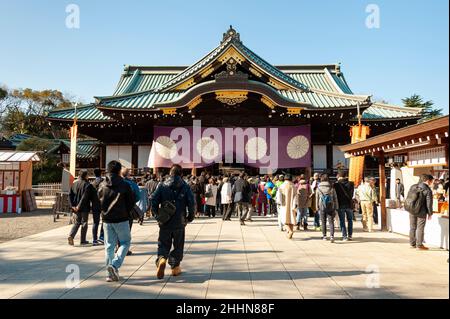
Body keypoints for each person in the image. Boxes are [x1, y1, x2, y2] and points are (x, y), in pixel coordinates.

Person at [151, 164, 195, 279]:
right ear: (181, 174)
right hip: (179, 220)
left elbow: (154, 200)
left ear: (170, 173)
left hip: (165, 220)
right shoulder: (185, 186)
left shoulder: (162, 185)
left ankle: (162, 259)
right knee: (178, 245)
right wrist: (190, 216)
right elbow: (191, 203)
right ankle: (175, 267)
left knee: (163, 242)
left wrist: (157, 215)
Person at [98, 161, 135, 282]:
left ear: (107, 170)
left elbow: (98, 201)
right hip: (121, 218)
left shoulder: (101, 185)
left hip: (106, 219)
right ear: (119, 171)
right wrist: (126, 212)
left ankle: (109, 274)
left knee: (109, 246)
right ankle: (114, 265)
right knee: (125, 242)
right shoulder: (125, 185)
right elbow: (131, 202)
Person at [68, 170, 96, 246]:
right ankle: (83, 240)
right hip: (84, 207)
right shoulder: (87, 184)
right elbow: (85, 197)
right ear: (85, 175)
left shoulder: (74, 183)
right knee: (84, 222)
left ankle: (71, 235)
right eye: (88, 175)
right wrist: (79, 206)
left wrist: (72, 206)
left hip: (75, 207)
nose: (88, 176)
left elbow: (70, 195)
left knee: (77, 222)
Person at [406, 174, 434, 250]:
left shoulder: (413, 186)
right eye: (431, 181)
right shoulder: (427, 190)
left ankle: (412, 244)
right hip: (421, 211)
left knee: (412, 227)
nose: (432, 183)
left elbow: (408, 197)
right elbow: (429, 203)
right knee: (420, 228)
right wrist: (430, 213)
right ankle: (419, 245)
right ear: (428, 181)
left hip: (411, 209)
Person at [121, 167, 141, 256]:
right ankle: (125, 248)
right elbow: (138, 196)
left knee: (118, 229)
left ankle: (118, 246)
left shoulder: (118, 183)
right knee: (128, 229)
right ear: (128, 174)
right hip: (129, 208)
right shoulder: (132, 184)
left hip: (118, 209)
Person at [316, 174, 339, 243]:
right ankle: (332, 236)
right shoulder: (331, 187)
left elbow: (317, 198)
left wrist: (317, 206)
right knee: (331, 222)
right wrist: (336, 206)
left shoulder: (318, 188)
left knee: (323, 222)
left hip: (321, 206)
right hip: (331, 206)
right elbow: (335, 198)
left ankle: (324, 236)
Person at [334, 172, 355, 241]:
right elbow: (352, 194)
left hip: (340, 204)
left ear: (339, 177)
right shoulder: (351, 183)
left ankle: (344, 236)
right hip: (349, 204)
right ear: (346, 176)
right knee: (350, 220)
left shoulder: (336, 185)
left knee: (342, 221)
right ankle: (350, 235)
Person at [278, 174, 297, 239]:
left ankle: (289, 231)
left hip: (284, 204)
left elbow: (279, 196)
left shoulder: (282, 186)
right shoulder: (293, 186)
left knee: (284, 219)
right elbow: (296, 196)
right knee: (291, 219)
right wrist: (295, 204)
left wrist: (279, 203)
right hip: (292, 204)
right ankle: (290, 232)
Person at [91, 168, 103, 245]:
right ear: (101, 173)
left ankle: (94, 239)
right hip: (102, 204)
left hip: (95, 204)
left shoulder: (92, 183)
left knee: (95, 222)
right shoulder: (103, 182)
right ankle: (101, 237)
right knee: (104, 221)